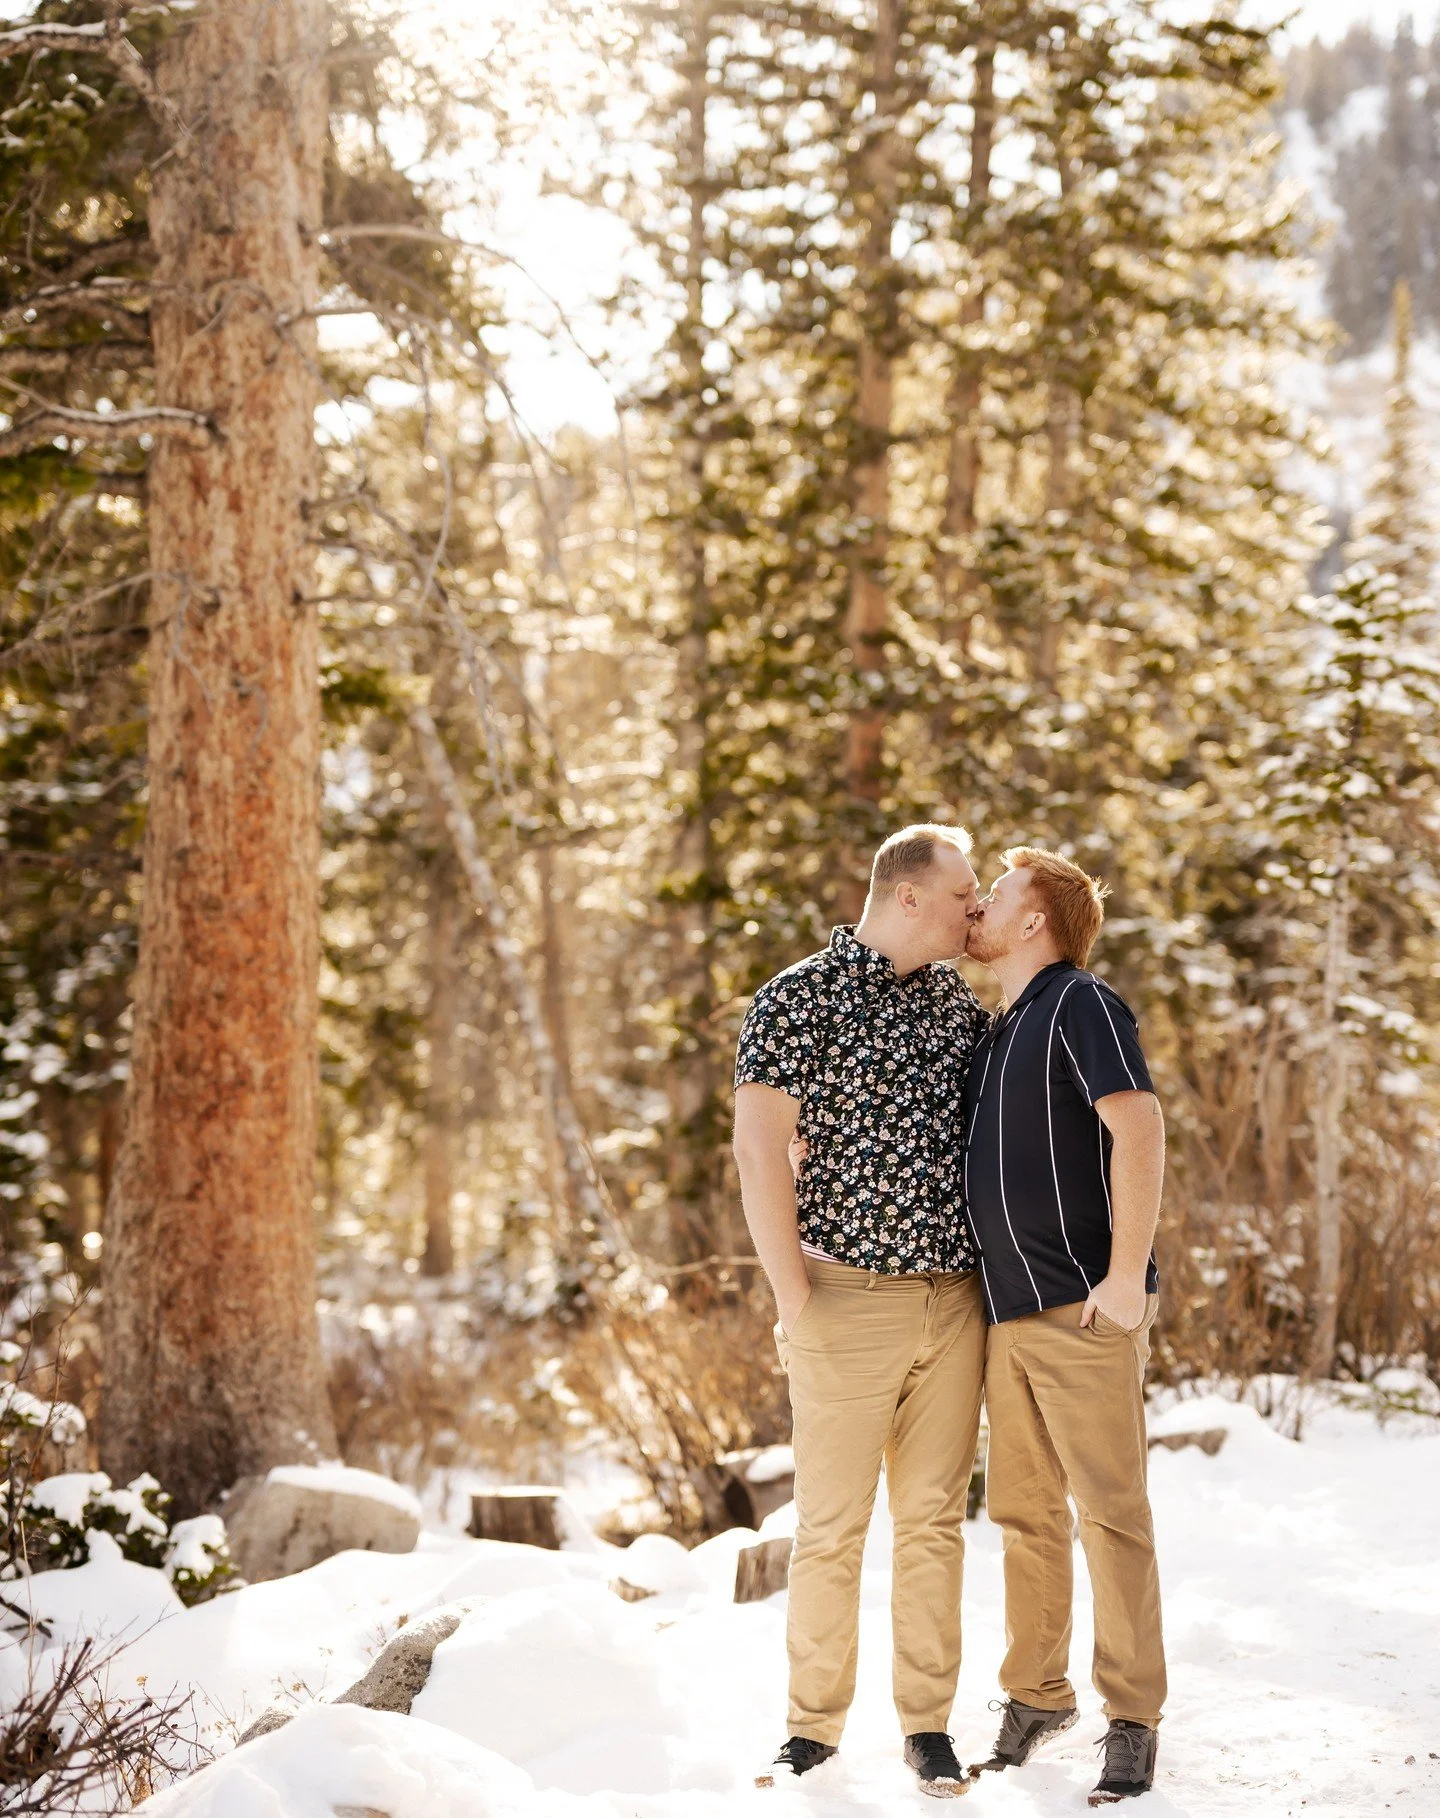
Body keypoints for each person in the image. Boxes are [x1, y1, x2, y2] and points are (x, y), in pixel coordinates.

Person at [732, 824, 990, 1799]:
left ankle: (927, 1726)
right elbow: (760, 1150)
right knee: (832, 1527)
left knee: (934, 1523)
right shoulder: (798, 997)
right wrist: (795, 1299)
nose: (975, 907)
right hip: (843, 1299)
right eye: (964, 891)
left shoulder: (956, 1008)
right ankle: (810, 1729)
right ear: (910, 895)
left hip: (954, 1303)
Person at [961, 847, 1167, 1807]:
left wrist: (1127, 1276)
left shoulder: (1082, 1003)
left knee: (1111, 1516)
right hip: (1009, 1316)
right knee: (1024, 1517)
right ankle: (1037, 1696)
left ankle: (1132, 1717)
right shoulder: (1005, 1027)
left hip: (1084, 1307)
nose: (980, 906)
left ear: (1036, 919)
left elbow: (1140, 1128)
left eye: (995, 895)